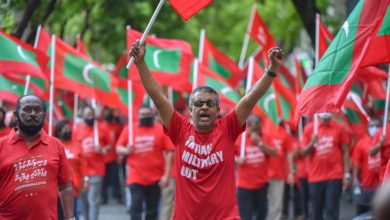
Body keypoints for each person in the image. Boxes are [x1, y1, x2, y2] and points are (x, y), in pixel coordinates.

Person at [129, 40, 284, 219]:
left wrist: (272, 70)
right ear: (190, 109)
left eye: (210, 104)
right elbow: (157, 96)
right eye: (199, 103)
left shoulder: (227, 128)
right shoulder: (179, 129)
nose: (204, 107)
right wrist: (140, 63)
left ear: (218, 111)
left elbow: (250, 99)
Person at [0, 95, 74, 219]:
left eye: (37, 110)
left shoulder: (56, 145)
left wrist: (70, 218)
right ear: (16, 114)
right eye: (27, 109)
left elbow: (65, 186)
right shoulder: (1, 146)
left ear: (44, 115)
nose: (33, 114)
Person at [116, 104, 173, 220]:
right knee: (135, 206)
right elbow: (118, 148)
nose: (145, 116)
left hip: (155, 177)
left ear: (152, 114)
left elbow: (170, 152)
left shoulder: (160, 129)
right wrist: (126, 150)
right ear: (138, 116)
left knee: (151, 210)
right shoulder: (130, 129)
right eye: (143, 114)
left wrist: (166, 176)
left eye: (148, 114)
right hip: (135, 177)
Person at [300, 113, 350, 220]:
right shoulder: (309, 128)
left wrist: (346, 174)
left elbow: (345, 151)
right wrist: (311, 143)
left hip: (334, 176)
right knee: (316, 212)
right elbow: (303, 152)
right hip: (315, 177)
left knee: (331, 211)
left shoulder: (339, 127)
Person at [234, 115, 277, 220]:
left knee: (261, 214)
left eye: (257, 127)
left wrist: (260, 143)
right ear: (248, 126)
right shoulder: (241, 138)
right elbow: (229, 153)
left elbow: (274, 153)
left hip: (261, 184)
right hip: (244, 186)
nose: (255, 129)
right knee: (245, 215)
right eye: (252, 127)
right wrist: (237, 159)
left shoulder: (266, 136)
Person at [74, 106, 111, 220]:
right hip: (82, 171)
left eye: (91, 114)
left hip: (96, 170)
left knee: (93, 200)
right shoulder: (77, 129)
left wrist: (103, 150)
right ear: (83, 116)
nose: (89, 117)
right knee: (84, 200)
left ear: (94, 115)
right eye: (87, 115)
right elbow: (74, 146)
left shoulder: (102, 128)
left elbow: (109, 145)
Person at [352, 117, 381, 216]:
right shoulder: (361, 144)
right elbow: (356, 166)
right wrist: (356, 184)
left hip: (381, 187)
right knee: (363, 215)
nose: (374, 128)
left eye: (377, 126)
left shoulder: (386, 142)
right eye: (371, 126)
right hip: (365, 188)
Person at [55, 119, 83, 220]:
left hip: (73, 187)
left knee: (73, 214)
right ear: (59, 131)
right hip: (55, 189)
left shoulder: (77, 145)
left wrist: (86, 179)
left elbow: (83, 165)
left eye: (69, 128)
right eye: (65, 129)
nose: (68, 130)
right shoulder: (54, 145)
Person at [100, 108, 122, 204]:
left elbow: (119, 142)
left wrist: (119, 155)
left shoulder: (116, 127)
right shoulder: (100, 127)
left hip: (113, 157)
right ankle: (103, 198)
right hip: (102, 158)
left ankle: (118, 196)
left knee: (115, 178)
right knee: (103, 179)